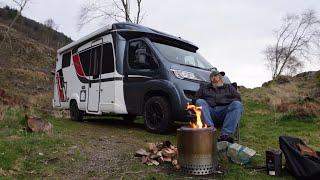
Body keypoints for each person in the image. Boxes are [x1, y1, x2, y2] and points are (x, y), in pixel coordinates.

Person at [193, 69, 243, 143]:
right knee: (200, 101)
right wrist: (206, 103)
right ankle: (210, 131)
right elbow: (195, 99)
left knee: (237, 104)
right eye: (214, 76)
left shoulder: (229, 87)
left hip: (225, 112)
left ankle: (225, 135)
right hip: (209, 112)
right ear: (211, 79)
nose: (217, 78)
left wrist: (225, 101)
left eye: (219, 76)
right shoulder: (204, 88)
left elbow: (238, 98)